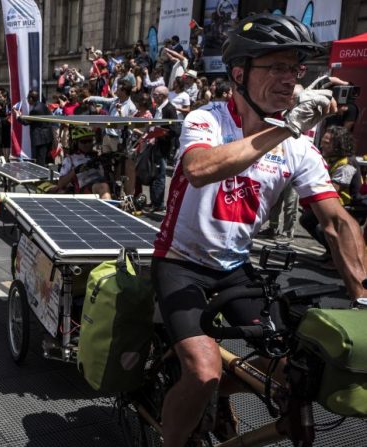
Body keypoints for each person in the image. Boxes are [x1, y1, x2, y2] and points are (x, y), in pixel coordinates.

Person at [152, 14, 367, 447]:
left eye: (296, 69)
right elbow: (199, 170)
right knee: (204, 370)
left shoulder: (299, 145)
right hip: (180, 263)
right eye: (278, 68)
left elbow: (336, 221)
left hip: (234, 267)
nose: (290, 79)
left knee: (292, 369)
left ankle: (202, 397)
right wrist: (284, 128)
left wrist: (364, 295)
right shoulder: (207, 119)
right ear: (239, 74)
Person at [299, 125, 364, 268]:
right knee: (307, 219)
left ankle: (340, 259)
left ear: (338, 145)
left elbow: (333, 189)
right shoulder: (330, 159)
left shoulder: (347, 163)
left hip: (349, 208)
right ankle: (331, 251)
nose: (322, 144)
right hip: (336, 205)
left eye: (327, 142)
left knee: (323, 227)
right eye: (323, 141)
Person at [49, 126, 111, 199]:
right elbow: (60, 184)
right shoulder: (69, 159)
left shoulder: (96, 156)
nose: (87, 144)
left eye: (90, 141)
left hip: (101, 182)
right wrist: (76, 170)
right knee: (103, 187)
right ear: (76, 143)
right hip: (84, 189)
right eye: (84, 142)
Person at [149, 86, 179, 211]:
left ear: (162, 96)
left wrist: (159, 134)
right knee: (153, 173)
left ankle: (159, 203)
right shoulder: (156, 108)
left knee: (160, 174)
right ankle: (154, 200)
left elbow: (175, 130)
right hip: (153, 145)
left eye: (155, 94)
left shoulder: (170, 109)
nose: (153, 96)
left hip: (162, 147)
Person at [13, 89, 54, 165]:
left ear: (31, 98)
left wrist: (18, 116)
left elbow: (26, 122)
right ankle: (47, 173)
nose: (28, 101)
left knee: (40, 158)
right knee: (46, 157)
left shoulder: (35, 110)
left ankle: (41, 175)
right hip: (47, 136)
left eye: (28, 98)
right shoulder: (42, 105)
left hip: (40, 137)